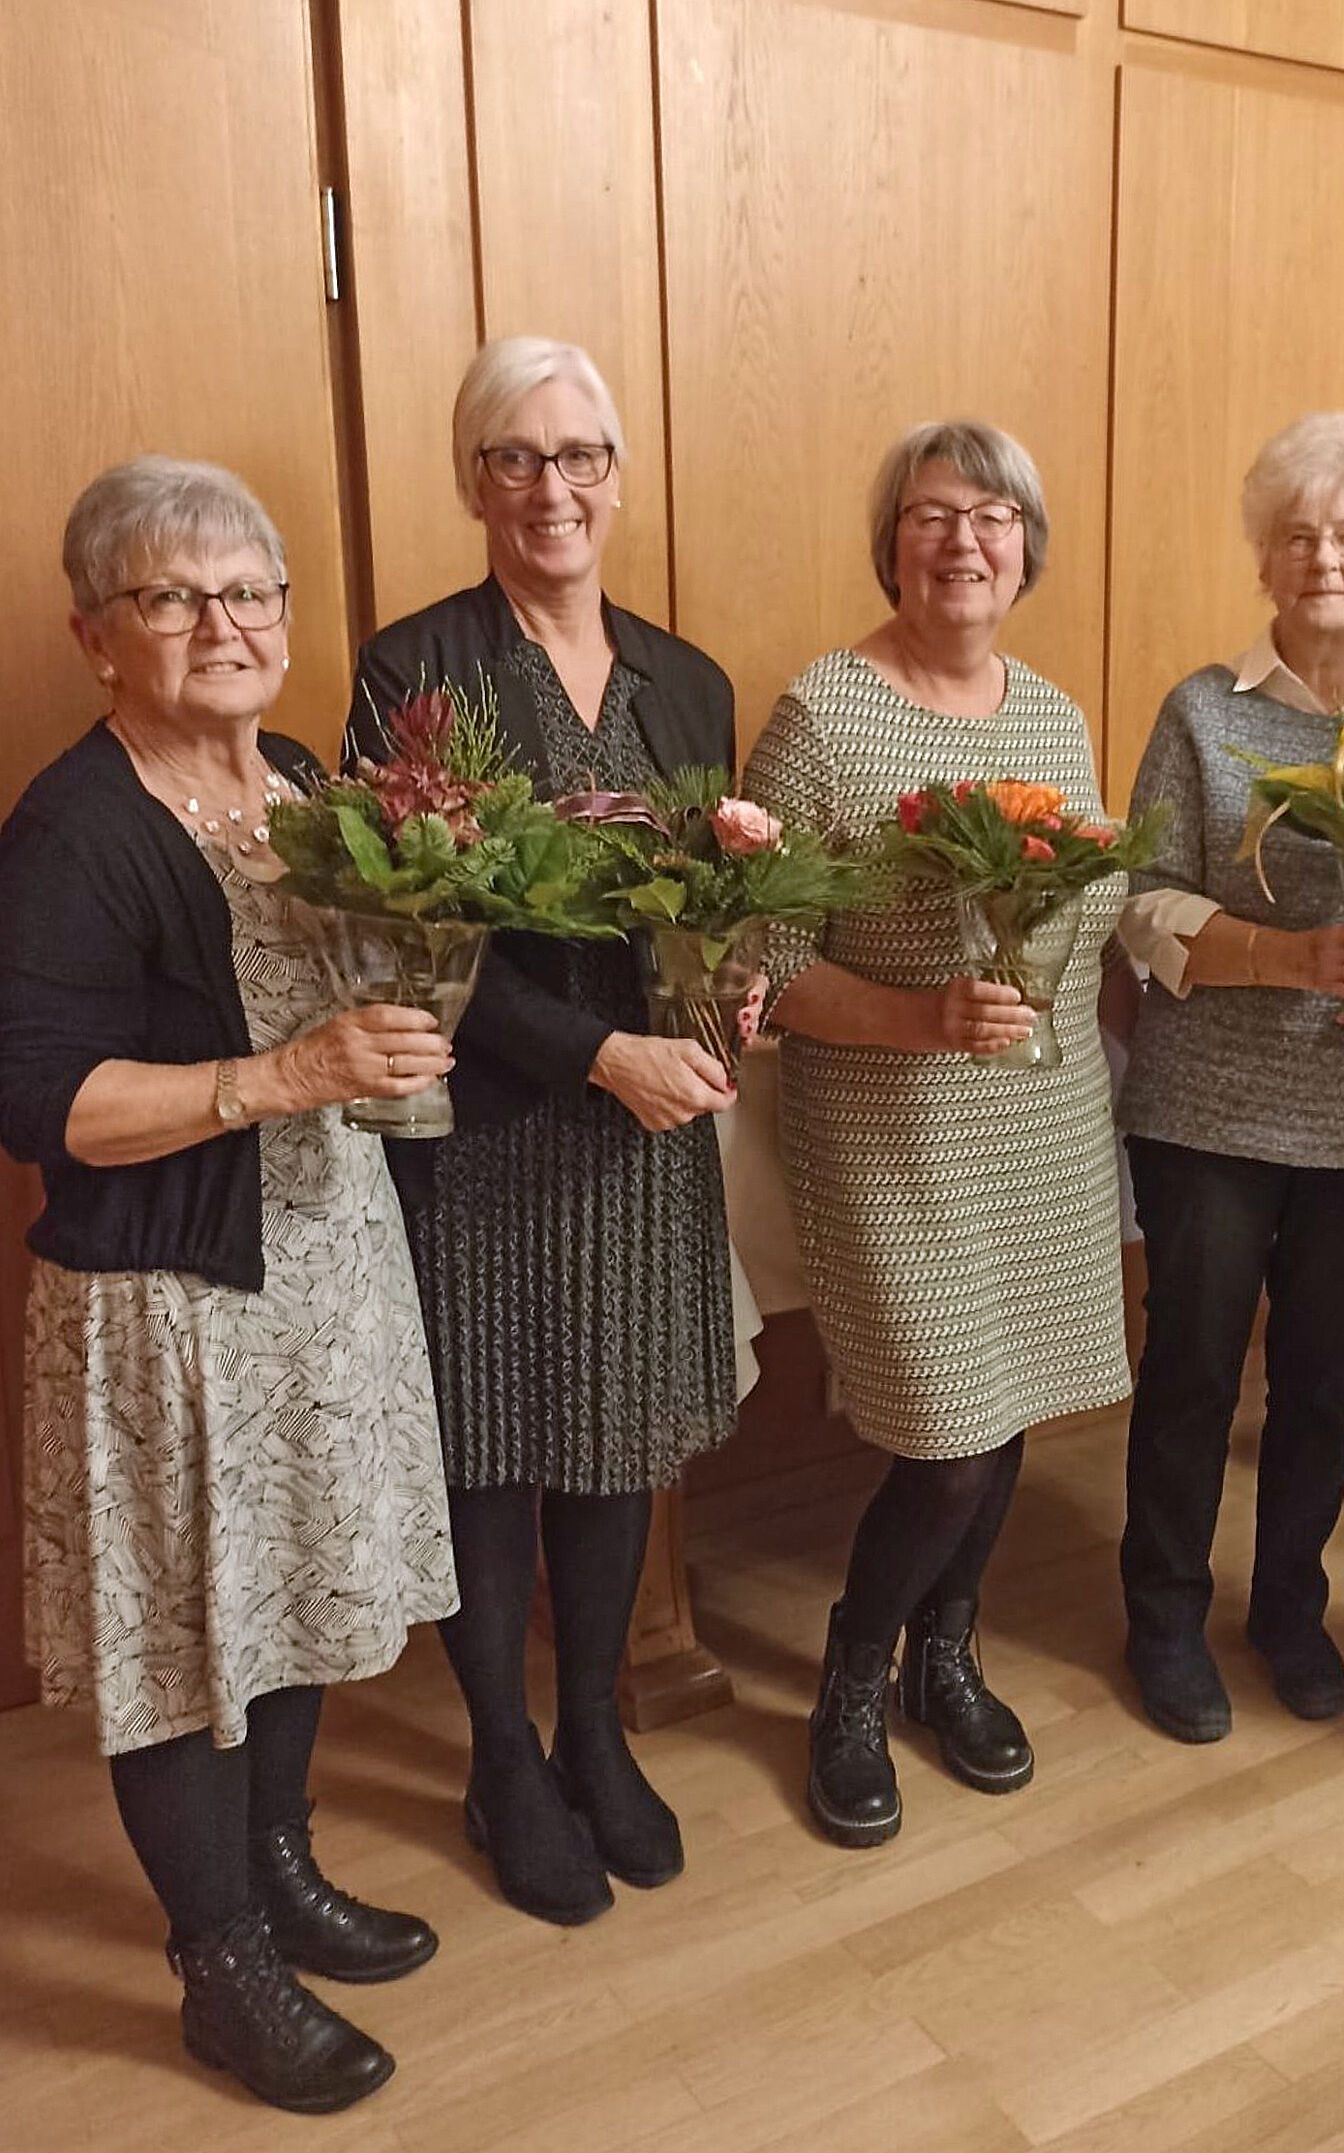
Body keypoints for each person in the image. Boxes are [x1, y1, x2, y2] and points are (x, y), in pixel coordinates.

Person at [0, 457, 457, 2114]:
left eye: (250, 589)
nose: (224, 622)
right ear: (96, 634)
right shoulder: (72, 827)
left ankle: (280, 1871)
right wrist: (282, 1074)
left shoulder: (311, 787)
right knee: (186, 1633)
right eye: (173, 595)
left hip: (325, 1263)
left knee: (293, 1589)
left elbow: (364, 1005)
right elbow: (37, 1103)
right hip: (169, 1301)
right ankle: (222, 1964)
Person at [347, 337, 738, 1924]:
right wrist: (598, 1053)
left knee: (610, 1439)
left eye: (579, 456)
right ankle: (501, 1752)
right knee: (492, 1451)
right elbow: (418, 938)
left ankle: (593, 1725)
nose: (551, 487)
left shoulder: (687, 678)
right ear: (473, 485)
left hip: (649, 1132)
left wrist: (732, 992)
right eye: (515, 458)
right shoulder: (416, 670)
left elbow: (710, 900)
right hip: (498, 1125)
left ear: (620, 478)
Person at [743, 420, 1131, 1848]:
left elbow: (1079, 915)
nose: (962, 541)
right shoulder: (823, 715)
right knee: (950, 1437)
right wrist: (917, 1019)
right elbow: (766, 961)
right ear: (890, 543)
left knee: (1006, 1399)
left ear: (1027, 544)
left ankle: (945, 1653)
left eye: (992, 515)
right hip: (891, 1133)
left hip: (1041, 1121)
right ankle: (856, 1672)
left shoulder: (1055, 714)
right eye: (929, 515)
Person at [1115, 412, 1344, 1739]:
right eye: (1297, 536)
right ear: (1265, 560)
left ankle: (1288, 1608)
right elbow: (1138, 899)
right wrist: (1286, 955)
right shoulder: (1204, 712)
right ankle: (1162, 1615)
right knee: (1194, 1370)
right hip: (1207, 1108)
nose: (1324, 558)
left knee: (1327, 1377)